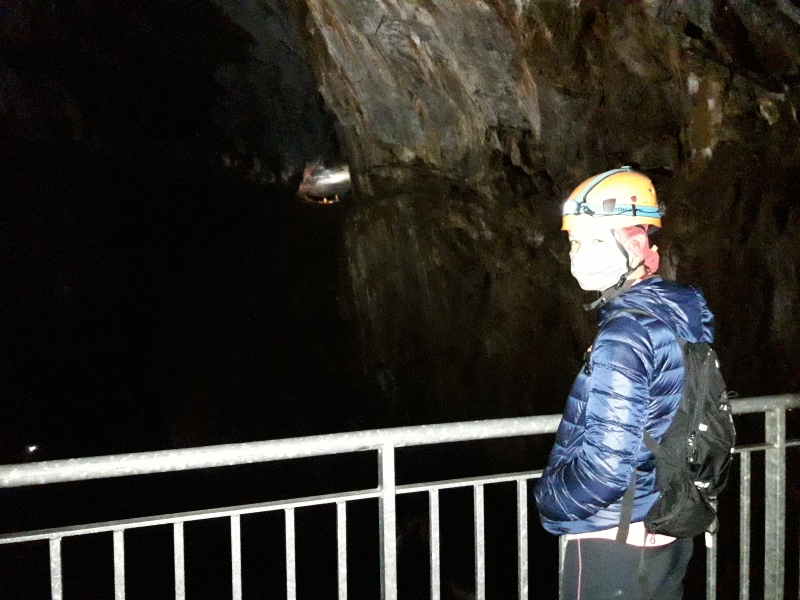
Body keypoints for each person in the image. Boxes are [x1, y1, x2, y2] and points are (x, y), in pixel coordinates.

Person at [534, 167, 713, 599]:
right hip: (666, 523)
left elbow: (606, 469)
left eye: (597, 241)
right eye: (576, 242)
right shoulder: (675, 314)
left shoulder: (625, 334)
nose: (580, 255)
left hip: (614, 540)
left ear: (635, 244)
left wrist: (550, 500)